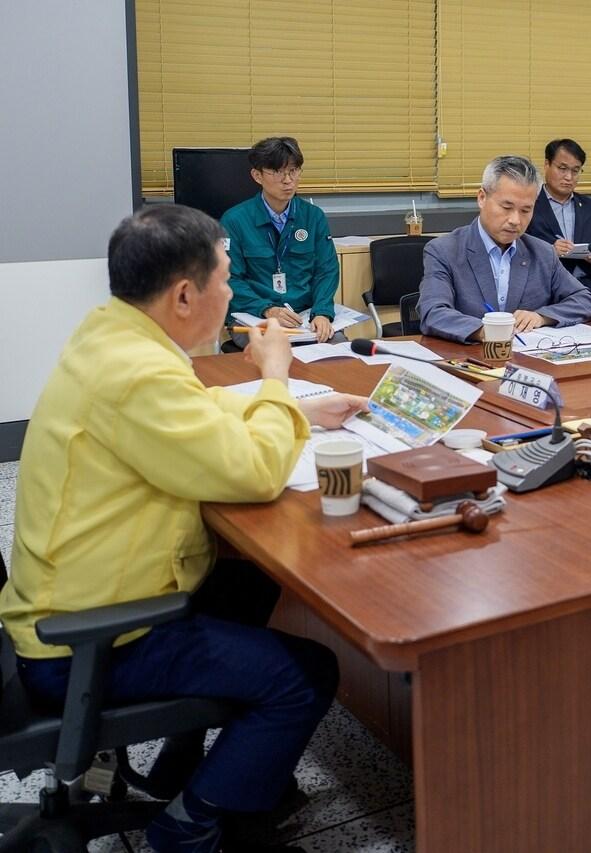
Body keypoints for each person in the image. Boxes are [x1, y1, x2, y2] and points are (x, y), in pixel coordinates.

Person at [0, 205, 361, 853]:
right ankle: (188, 824)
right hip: (88, 638)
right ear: (186, 294)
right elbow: (253, 470)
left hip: (73, 598)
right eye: (225, 279)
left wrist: (293, 405)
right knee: (304, 675)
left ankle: (188, 763)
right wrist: (275, 378)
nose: (232, 293)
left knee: (248, 585)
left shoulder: (110, 336)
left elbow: (180, 407)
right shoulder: (137, 372)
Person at [418, 156, 591, 341]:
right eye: (506, 207)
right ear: (482, 198)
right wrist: (486, 332)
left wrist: (541, 317)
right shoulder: (444, 250)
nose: (515, 220)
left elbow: (585, 300)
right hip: (470, 357)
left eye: (525, 210)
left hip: (528, 360)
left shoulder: (542, 252)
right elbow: (433, 312)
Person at [222, 136, 341, 344]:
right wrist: (266, 309)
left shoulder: (313, 217)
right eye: (278, 172)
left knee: (338, 348)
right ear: (257, 176)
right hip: (255, 317)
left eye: (293, 171)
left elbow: (327, 270)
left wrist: (322, 312)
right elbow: (229, 278)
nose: (288, 180)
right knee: (275, 351)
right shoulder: (234, 221)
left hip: (303, 316)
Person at [524, 138, 591, 316]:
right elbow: (520, 251)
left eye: (575, 171)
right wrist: (550, 251)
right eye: (562, 168)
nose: (568, 177)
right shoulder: (530, 205)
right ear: (547, 165)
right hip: (550, 289)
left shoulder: (590, 206)